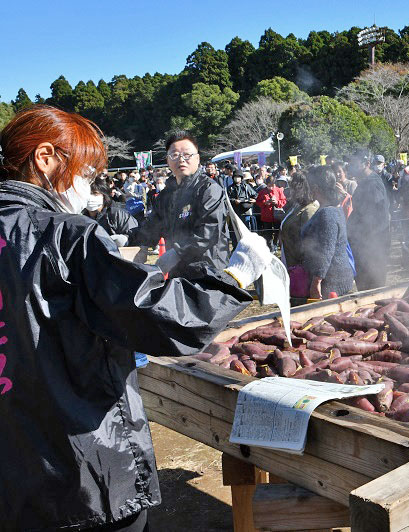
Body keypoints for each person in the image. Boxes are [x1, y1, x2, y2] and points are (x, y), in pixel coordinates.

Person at [0, 105, 271, 531]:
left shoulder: (206, 190)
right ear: (45, 157)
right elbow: (159, 317)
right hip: (82, 466)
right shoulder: (65, 234)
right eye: (85, 172)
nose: (88, 187)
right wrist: (233, 278)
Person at [137, 130, 231, 278]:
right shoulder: (165, 195)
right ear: (168, 161)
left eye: (187, 154)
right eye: (174, 155)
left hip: (208, 273)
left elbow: (207, 232)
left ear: (197, 158)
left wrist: (177, 253)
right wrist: (138, 244)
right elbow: (152, 225)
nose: (181, 159)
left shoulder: (209, 189)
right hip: (177, 274)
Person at [302, 166, 355, 299]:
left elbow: (326, 251)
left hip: (331, 282)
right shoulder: (330, 209)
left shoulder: (328, 213)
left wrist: (316, 281)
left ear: (315, 188)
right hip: (331, 278)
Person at [347, 154, 391, 290]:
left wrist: (367, 245)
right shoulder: (365, 182)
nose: (351, 167)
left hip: (372, 247)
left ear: (366, 163)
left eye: (355, 163)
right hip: (363, 245)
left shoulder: (373, 184)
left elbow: (376, 218)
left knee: (373, 289)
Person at [280, 173, 319, 285]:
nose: (290, 191)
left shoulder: (310, 209)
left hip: (299, 267)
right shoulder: (296, 205)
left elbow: (309, 242)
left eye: (293, 188)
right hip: (290, 259)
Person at [85, 180, 139, 247]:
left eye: (95, 193)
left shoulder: (117, 214)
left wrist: (124, 239)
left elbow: (135, 235)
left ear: (104, 196)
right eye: (87, 193)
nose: (89, 197)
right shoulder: (79, 217)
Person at [255, 172, 287, 251]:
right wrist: (265, 203)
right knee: (268, 233)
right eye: (269, 186)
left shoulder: (279, 190)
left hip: (277, 216)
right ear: (266, 184)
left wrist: (277, 202)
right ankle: (270, 247)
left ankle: (275, 245)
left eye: (273, 186)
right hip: (266, 216)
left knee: (277, 232)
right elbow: (258, 202)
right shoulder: (262, 192)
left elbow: (284, 201)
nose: (271, 188)